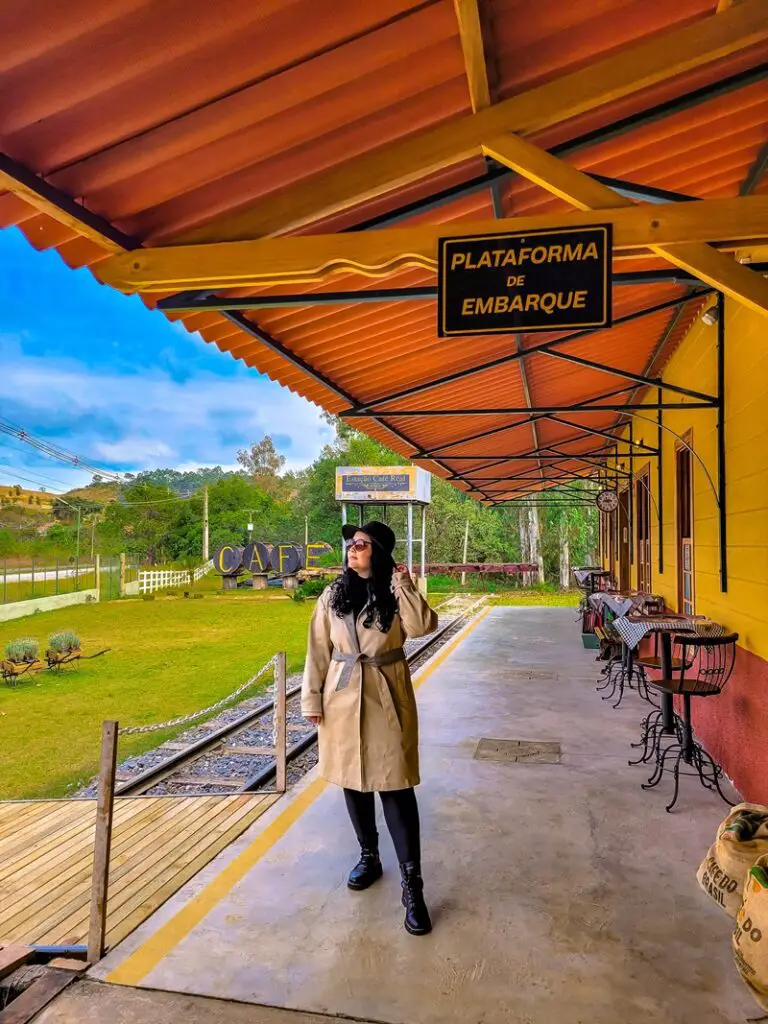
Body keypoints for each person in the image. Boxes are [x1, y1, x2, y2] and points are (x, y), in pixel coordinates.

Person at [301, 520, 438, 936]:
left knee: (396, 786)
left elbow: (422, 627)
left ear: (377, 550)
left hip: (386, 696)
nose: (352, 549)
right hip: (342, 698)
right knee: (352, 781)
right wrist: (311, 699)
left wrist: (405, 585)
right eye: (349, 544)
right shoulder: (333, 594)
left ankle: (413, 886)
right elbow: (317, 648)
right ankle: (369, 856)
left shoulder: (396, 591)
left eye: (361, 544)